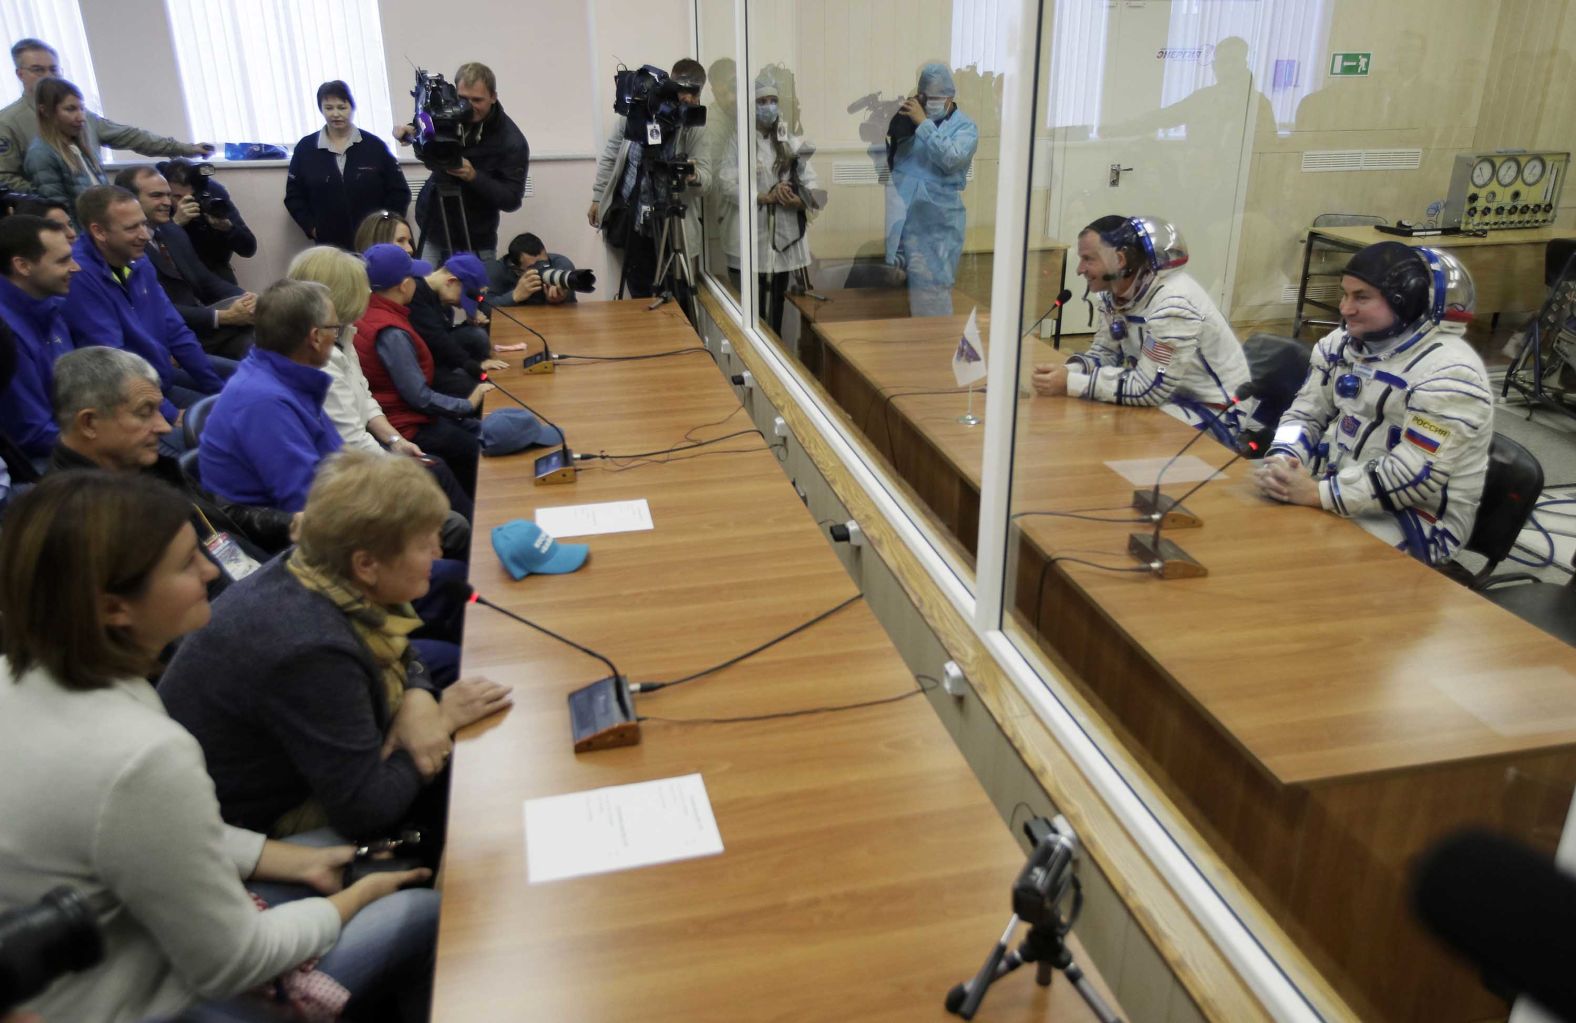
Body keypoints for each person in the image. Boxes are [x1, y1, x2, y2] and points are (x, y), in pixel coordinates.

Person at [0, 470, 437, 1023]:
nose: (212, 570)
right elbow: (234, 962)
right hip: (139, 1001)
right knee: (426, 911)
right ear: (114, 607)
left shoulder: (37, 678)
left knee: (358, 848)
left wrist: (285, 860)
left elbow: (135, 827)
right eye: (186, 564)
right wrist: (354, 902)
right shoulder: (143, 752)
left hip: (104, 953)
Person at [160, 451, 513, 843]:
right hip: (259, 824)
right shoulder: (310, 648)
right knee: (477, 775)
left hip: (306, 764)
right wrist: (442, 720)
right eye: (424, 541)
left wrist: (417, 696)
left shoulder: (318, 565)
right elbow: (366, 811)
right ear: (367, 564)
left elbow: (398, 646)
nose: (438, 551)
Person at [1253, 242, 1494, 566]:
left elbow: (1414, 477)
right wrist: (1284, 457)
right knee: (1253, 524)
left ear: (1404, 303)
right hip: (1334, 484)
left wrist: (1317, 495)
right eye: (1345, 294)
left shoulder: (1451, 374)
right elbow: (1304, 414)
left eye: (1361, 297)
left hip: (1418, 522)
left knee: (1303, 559)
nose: (1345, 308)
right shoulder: (1340, 344)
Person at [285, 245, 476, 542]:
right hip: (343, 475)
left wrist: (394, 441)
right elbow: (350, 440)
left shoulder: (343, 334)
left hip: (381, 438)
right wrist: (400, 466)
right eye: (362, 287)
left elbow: (365, 399)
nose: (368, 293)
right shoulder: (318, 358)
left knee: (439, 467)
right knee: (444, 474)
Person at [47, 346, 295, 573]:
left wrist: (293, 524)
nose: (164, 427)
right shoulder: (76, 526)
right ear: (89, 423)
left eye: (158, 410)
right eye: (145, 413)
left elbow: (221, 516)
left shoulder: (143, 464)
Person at [1031, 215, 1252, 442]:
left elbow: (1149, 388)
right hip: (1167, 398)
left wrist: (1070, 383)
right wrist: (1070, 371)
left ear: (1119, 260)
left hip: (1215, 411)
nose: (1079, 269)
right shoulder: (1115, 294)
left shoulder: (1173, 307)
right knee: (1098, 420)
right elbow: (1105, 355)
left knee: (1119, 434)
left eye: (1088, 259)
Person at [62, 185, 228, 427]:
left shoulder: (137, 260)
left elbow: (177, 332)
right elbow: (113, 361)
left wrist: (219, 391)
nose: (145, 235)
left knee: (236, 400)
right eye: (131, 228)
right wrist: (168, 414)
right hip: (126, 399)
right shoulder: (79, 276)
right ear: (99, 231)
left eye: (143, 224)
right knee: (218, 430)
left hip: (160, 381)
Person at [353, 243, 491, 497]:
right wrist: (468, 404)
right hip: (407, 424)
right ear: (404, 285)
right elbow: (418, 395)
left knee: (480, 431)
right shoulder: (392, 332)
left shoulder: (373, 312)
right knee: (473, 447)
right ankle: (476, 517)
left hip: (406, 416)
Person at [198, 279, 344, 514]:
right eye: (335, 329)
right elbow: (308, 502)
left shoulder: (285, 377)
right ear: (315, 337)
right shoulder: (264, 401)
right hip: (289, 532)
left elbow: (336, 458)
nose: (336, 337)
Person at [0, 38, 212, 192]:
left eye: (54, 69)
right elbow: (5, 178)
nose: (48, 76)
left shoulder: (82, 116)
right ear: (21, 74)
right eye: (38, 70)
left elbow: (131, 136)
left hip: (97, 212)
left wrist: (185, 149)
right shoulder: (8, 122)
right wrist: (45, 196)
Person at [589, 59, 709, 299]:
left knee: (679, 296)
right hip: (634, 218)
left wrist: (693, 176)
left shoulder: (694, 123)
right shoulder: (640, 109)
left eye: (695, 92)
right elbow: (611, 155)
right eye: (683, 90)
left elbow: (707, 179)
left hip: (674, 224)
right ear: (671, 83)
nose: (688, 98)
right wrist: (597, 196)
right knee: (641, 295)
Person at [718, 70, 819, 334]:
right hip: (749, 240)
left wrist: (799, 200)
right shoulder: (738, 140)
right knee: (749, 313)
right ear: (751, 105)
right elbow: (726, 182)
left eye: (773, 100)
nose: (768, 107)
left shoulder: (793, 140)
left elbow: (815, 188)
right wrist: (763, 197)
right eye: (762, 102)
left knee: (775, 308)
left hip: (783, 241)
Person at [118, 165, 255, 359]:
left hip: (202, 324)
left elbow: (205, 279)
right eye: (157, 196)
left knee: (272, 334)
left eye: (169, 195)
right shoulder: (125, 246)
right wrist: (223, 317)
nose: (167, 202)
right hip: (172, 337)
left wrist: (249, 298)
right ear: (129, 200)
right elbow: (155, 308)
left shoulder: (171, 231)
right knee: (261, 344)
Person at [394, 62, 527, 263]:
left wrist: (474, 176)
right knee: (425, 290)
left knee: (478, 294)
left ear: (493, 97)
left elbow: (511, 200)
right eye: (463, 98)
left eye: (477, 100)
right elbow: (429, 128)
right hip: (434, 226)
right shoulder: (451, 111)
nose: (468, 107)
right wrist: (413, 130)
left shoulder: (511, 141)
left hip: (477, 238)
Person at [885, 62, 978, 317]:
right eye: (925, 96)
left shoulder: (965, 128)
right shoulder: (911, 123)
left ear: (949, 96)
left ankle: (937, 351)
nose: (930, 102)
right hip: (905, 225)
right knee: (899, 302)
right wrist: (903, 120)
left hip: (938, 228)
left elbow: (951, 159)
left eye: (935, 97)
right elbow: (896, 167)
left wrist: (923, 123)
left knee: (933, 294)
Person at [286, 81, 410, 252]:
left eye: (342, 107)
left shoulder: (374, 146)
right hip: (329, 245)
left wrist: (386, 227)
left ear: (352, 107)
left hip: (375, 242)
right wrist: (312, 227)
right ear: (321, 109)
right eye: (329, 108)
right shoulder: (305, 148)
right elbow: (294, 196)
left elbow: (399, 192)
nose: (336, 114)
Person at [0, 214, 77, 465]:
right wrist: (106, 442)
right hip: (43, 457)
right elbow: (32, 432)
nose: (76, 267)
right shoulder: (7, 333)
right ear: (23, 266)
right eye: (63, 260)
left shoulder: (48, 303)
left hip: (75, 431)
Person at [408, 252, 504, 396]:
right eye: (462, 299)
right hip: (424, 366)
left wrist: (470, 319)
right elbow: (439, 340)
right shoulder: (416, 297)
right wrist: (475, 366)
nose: (460, 306)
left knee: (475, 335)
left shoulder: (439, 296)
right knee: (474, 388)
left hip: (440, 358)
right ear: (451, 281)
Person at [161, 158, 257, 286]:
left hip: (214, 267)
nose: (185, 201)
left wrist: (228, 229)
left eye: (191, 195)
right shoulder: (159, 202)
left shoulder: (213, 195)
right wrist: (175, 224)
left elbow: (249, 249)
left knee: (241, 300)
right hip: (175, 273)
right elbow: (153, 252)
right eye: (177, 197)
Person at [21, 78, 106, 222]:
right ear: (45, 111)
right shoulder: (41, 154)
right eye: (70, 109)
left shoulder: (79, 144)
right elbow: (61, 212)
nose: (81, 117)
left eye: (82, 108)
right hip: (84, 237)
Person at [487, 231, 579, 306]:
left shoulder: (560, 264)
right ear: (516, 270)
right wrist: (514, 296)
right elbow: (484, 307)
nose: (541, 270)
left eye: (544, 263)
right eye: (533, 267)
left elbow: (572, 306)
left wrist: (560, 299)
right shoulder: (495, 270)